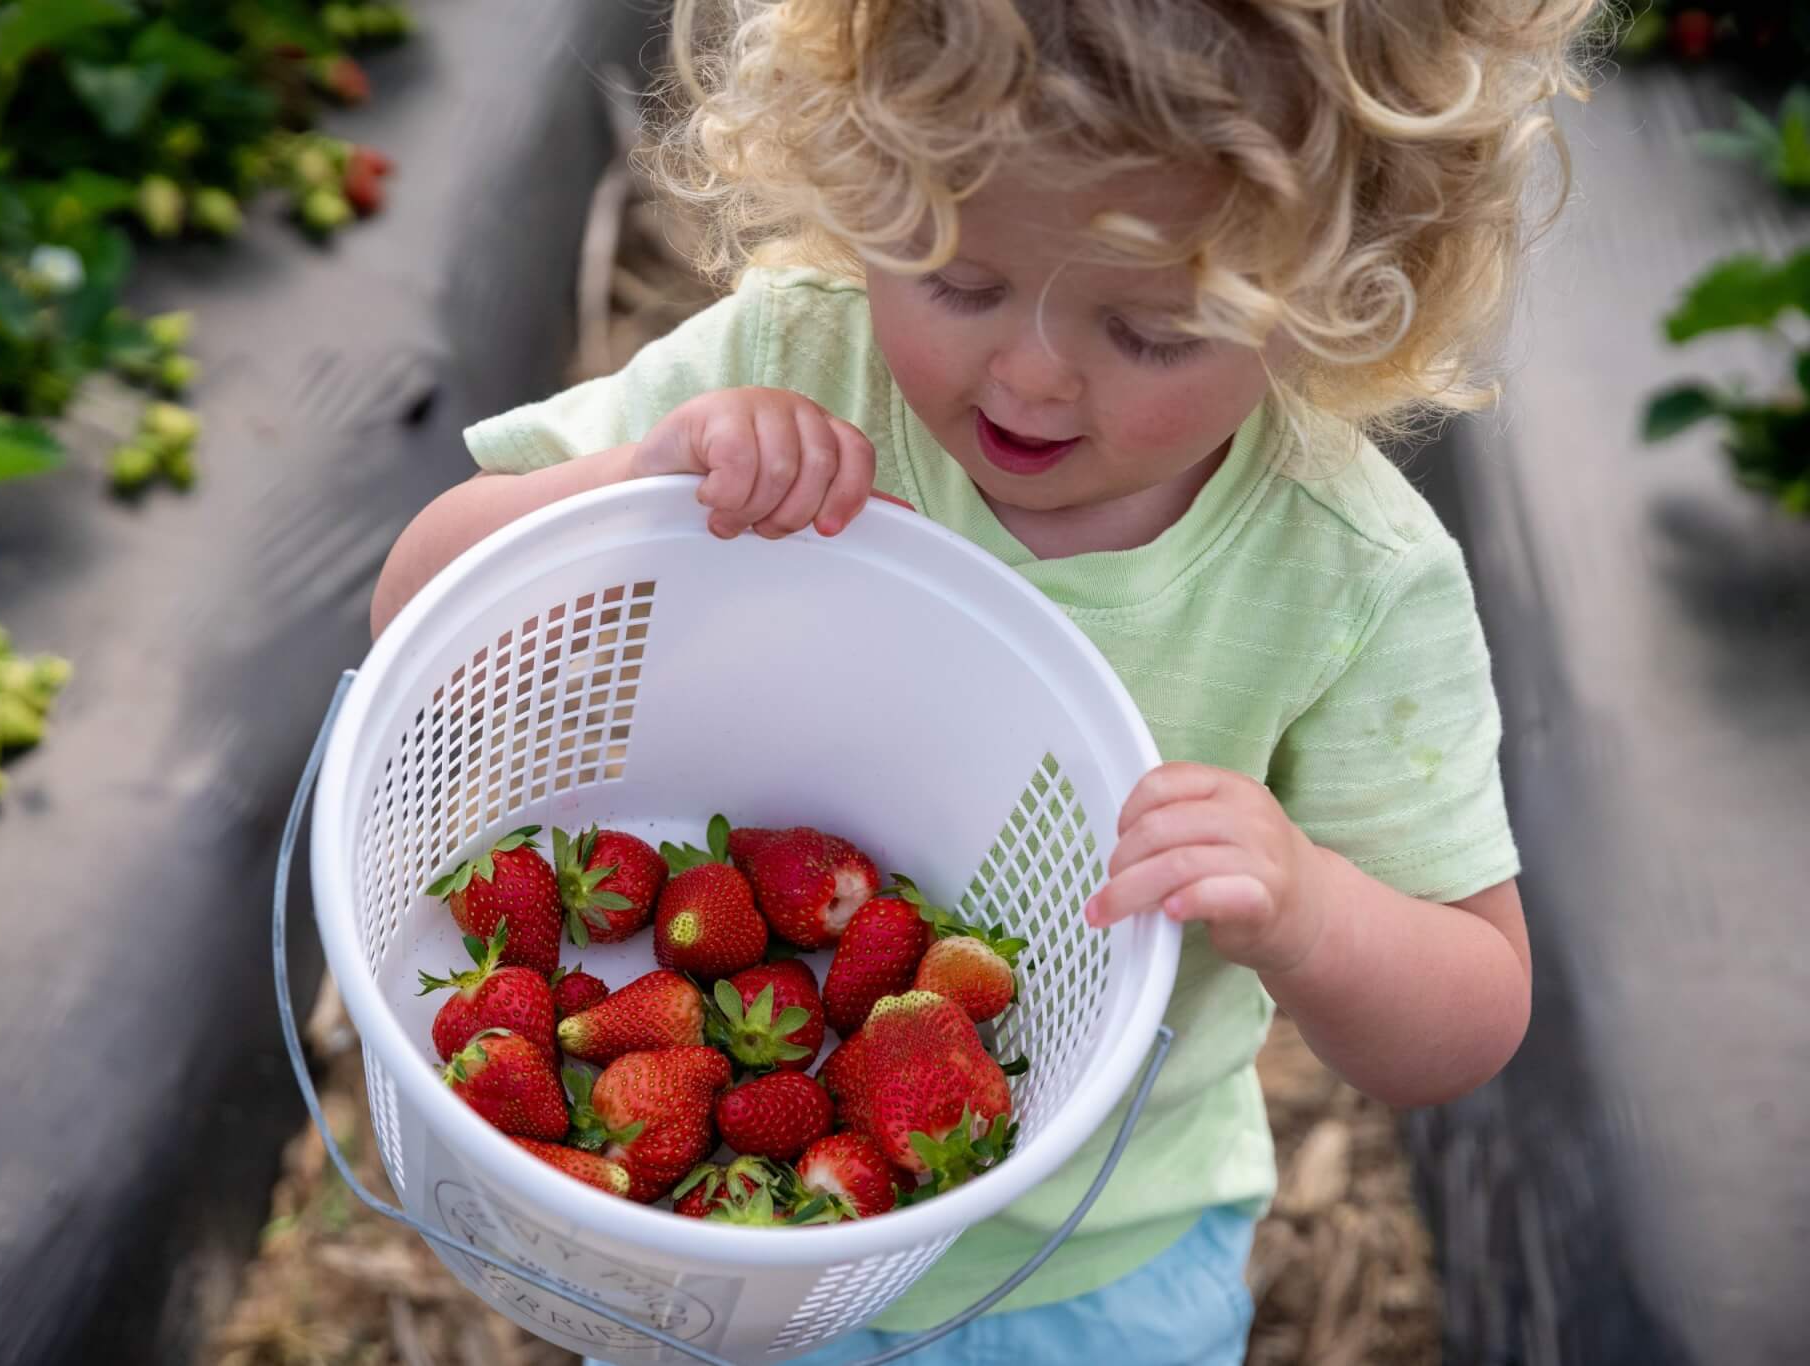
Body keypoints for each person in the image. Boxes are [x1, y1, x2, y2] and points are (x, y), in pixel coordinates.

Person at [372, 1, 1597, 1360]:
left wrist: (1306, 910)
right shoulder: (794, 363)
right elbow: (416, 611)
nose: (1029, 374)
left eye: (1152, 332)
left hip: (1087, 1273)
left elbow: (1472, 1013)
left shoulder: (1345, 576)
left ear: (1325, 296)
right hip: (722, 1256)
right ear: (872, 185)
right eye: (958, 280)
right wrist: (630, 486)